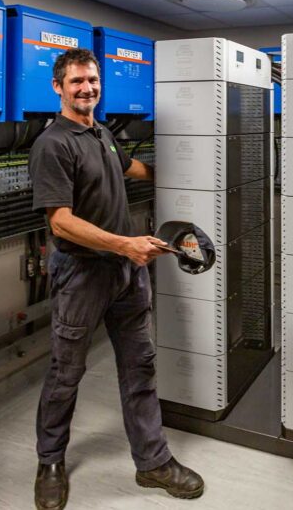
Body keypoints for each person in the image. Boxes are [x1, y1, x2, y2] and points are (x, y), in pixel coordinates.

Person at [29, 48, 203, 509]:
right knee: (66, 372)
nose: (87, 89)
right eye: (77, 82)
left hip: (127, 271)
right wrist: (125, 244)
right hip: (82, 273)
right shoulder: (53, 144)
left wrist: (190, 178)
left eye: (93, 81)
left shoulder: (101, 133)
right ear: (58, 87)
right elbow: (60, 222)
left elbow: (131, 168)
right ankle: (50, 461)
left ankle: (153, 462)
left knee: (139, 367)